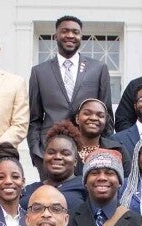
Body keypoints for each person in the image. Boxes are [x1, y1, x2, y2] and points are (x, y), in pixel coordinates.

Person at [27, 15, 114, 170]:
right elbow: (34, 119)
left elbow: (106, 115)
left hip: (90, 152)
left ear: (81, 36)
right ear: (55, 36)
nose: (70, 35)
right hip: (51, 152)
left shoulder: (98, 68)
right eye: (65, 31)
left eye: (75, 32)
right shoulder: (39, 72)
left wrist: (105, 151)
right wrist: (37, 153)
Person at [21, 122, 87, 210]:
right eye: (51, 152)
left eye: (65, 153)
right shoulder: (28, 190)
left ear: (75, 161)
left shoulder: (85, 186)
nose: (57, 157)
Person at [73, 98, 130, 173]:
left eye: (100, 116)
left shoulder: (117, 149)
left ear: (105, 121)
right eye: (87, 113)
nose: (93, 118)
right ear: (77, 119)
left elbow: (127, 178)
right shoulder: (65, 146)